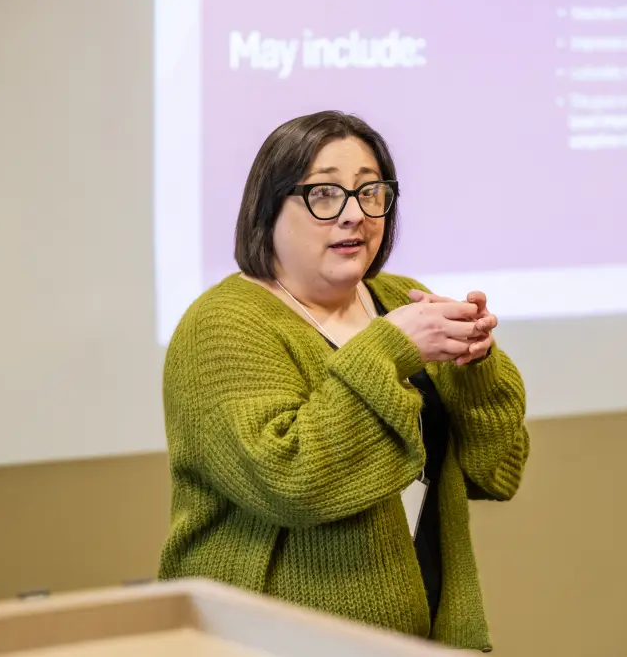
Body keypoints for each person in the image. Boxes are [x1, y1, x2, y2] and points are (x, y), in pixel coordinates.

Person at [158, 110, 529, 653]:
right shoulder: (222, 326)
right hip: (263, 643)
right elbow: (293, 480)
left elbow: (496, 470)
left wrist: (476, 367)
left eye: (370, 192)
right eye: (324, 194)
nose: (354, 215)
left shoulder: (401, 299)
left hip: (425, 639)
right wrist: (389, 349)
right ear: (268, 208)